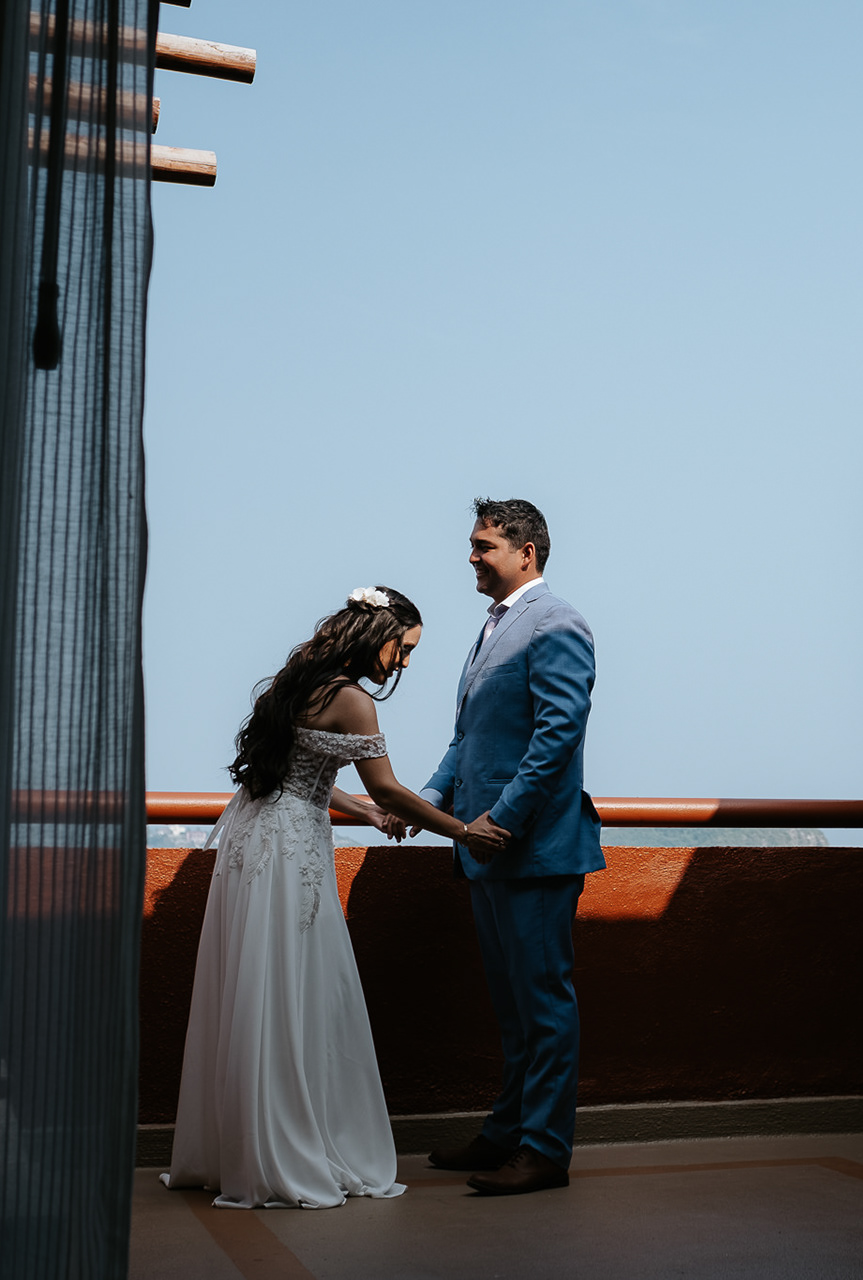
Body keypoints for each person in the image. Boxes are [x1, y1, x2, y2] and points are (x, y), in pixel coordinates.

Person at [163, 585, 506, 1208]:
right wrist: (462, 831)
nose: (404, 663)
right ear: (377, 637)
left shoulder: (294, 683)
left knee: (258, 983)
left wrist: (363, 812)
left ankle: (240, 1147)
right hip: (290, 849)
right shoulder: (353, 701)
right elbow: (390, 788)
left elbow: (299, 774)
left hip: (255, 835)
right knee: (293, 985)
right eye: (403, 648)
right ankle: (283, 1146)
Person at [422, 499, 604, 1195]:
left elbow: (558, 734)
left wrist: (499, 819)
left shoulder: (558, 623)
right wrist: (427, 800)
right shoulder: (491, 628)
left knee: (544, 1006)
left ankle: (545, 1151)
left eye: (483, 545)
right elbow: (466, 739)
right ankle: (506, 1132)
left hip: (531, 849)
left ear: (526, 552)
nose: (471, 556)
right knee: (513, 1010)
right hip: (485, 850)